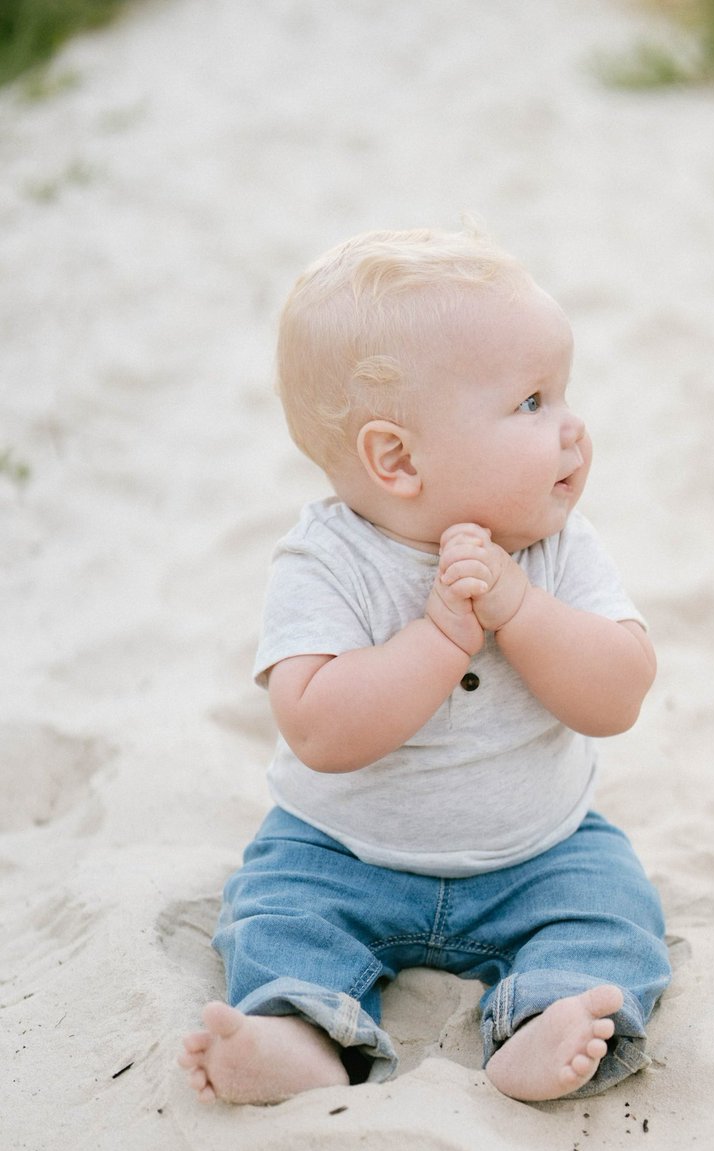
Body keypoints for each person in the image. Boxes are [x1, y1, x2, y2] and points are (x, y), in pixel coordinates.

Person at [178, 226, 671, 1105]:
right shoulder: (327, 560)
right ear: (397, 459)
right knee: (274, 916)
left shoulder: (556, 548)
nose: (571, 426)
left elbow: (619, 695)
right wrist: (441, 636)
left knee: (614, 917)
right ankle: (297, 1031)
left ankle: (542, 1016)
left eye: (562, 393)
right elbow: (320, 730)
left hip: (539, 849)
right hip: (342, 849)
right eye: (530, 402)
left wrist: (517, 609)